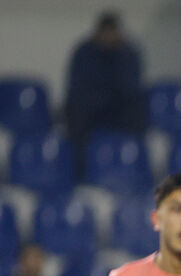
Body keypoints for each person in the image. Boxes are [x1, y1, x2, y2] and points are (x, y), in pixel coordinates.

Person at [64, 12, 145, 170]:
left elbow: (130, 89)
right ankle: (80, 174)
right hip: (91, 109)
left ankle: (131, 171)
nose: (108, 37)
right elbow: (79, 88)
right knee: (77, 118)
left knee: (137, 116)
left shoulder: (128, 53)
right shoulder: (84, 52)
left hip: (119, 109)